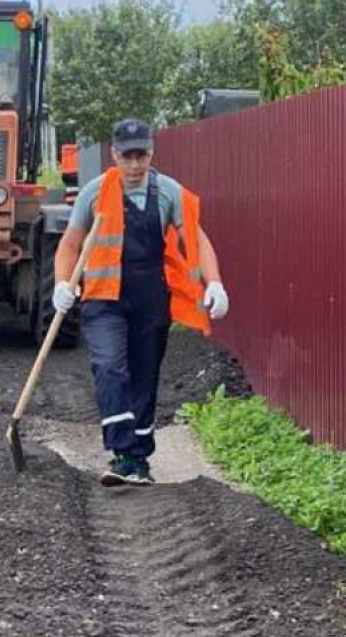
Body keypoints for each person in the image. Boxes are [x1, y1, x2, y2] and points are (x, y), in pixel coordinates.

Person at [52, 118, 230, 486]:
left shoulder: (168, 193)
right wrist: (61, 284)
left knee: (144, 377)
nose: (134, 165)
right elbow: (70, 245)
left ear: (151, 153)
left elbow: (196, 240)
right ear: (114, 155)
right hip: (103, 300)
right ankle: (121, 454)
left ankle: (139, 459)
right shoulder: (95, 193)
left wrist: (214, 283)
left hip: (150, 297)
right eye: (127, 156)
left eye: (141, 155)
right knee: (109, 367)